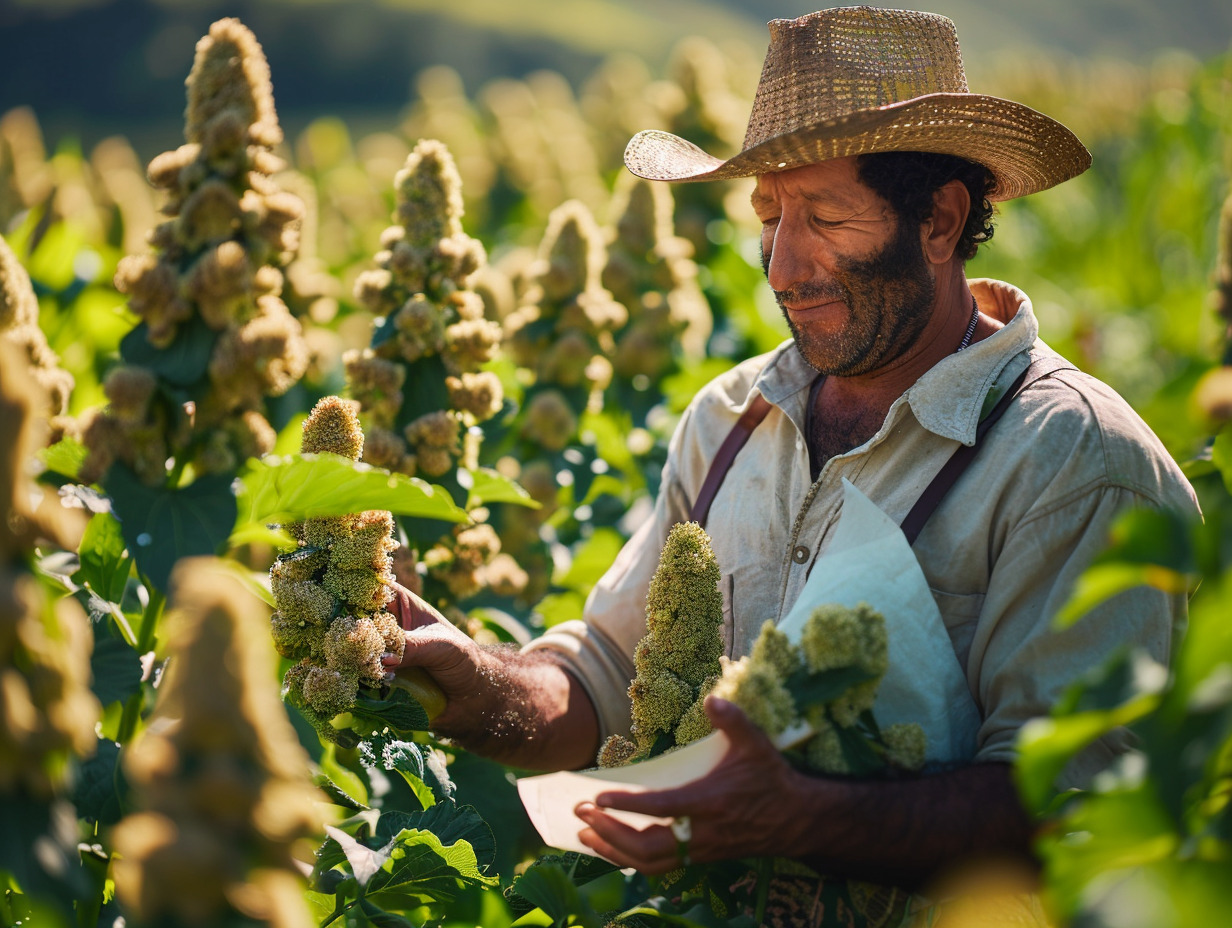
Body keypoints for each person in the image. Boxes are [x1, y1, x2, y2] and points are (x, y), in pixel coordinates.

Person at [384, 6, 1199, 889]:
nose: (779, 266)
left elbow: (1075, 811)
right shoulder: (730, 420)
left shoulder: (1079, 464)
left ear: (939, 220)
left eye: (823, 215)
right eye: (769, 215)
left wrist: (798, 817)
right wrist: (479, 685)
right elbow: (610, 674)